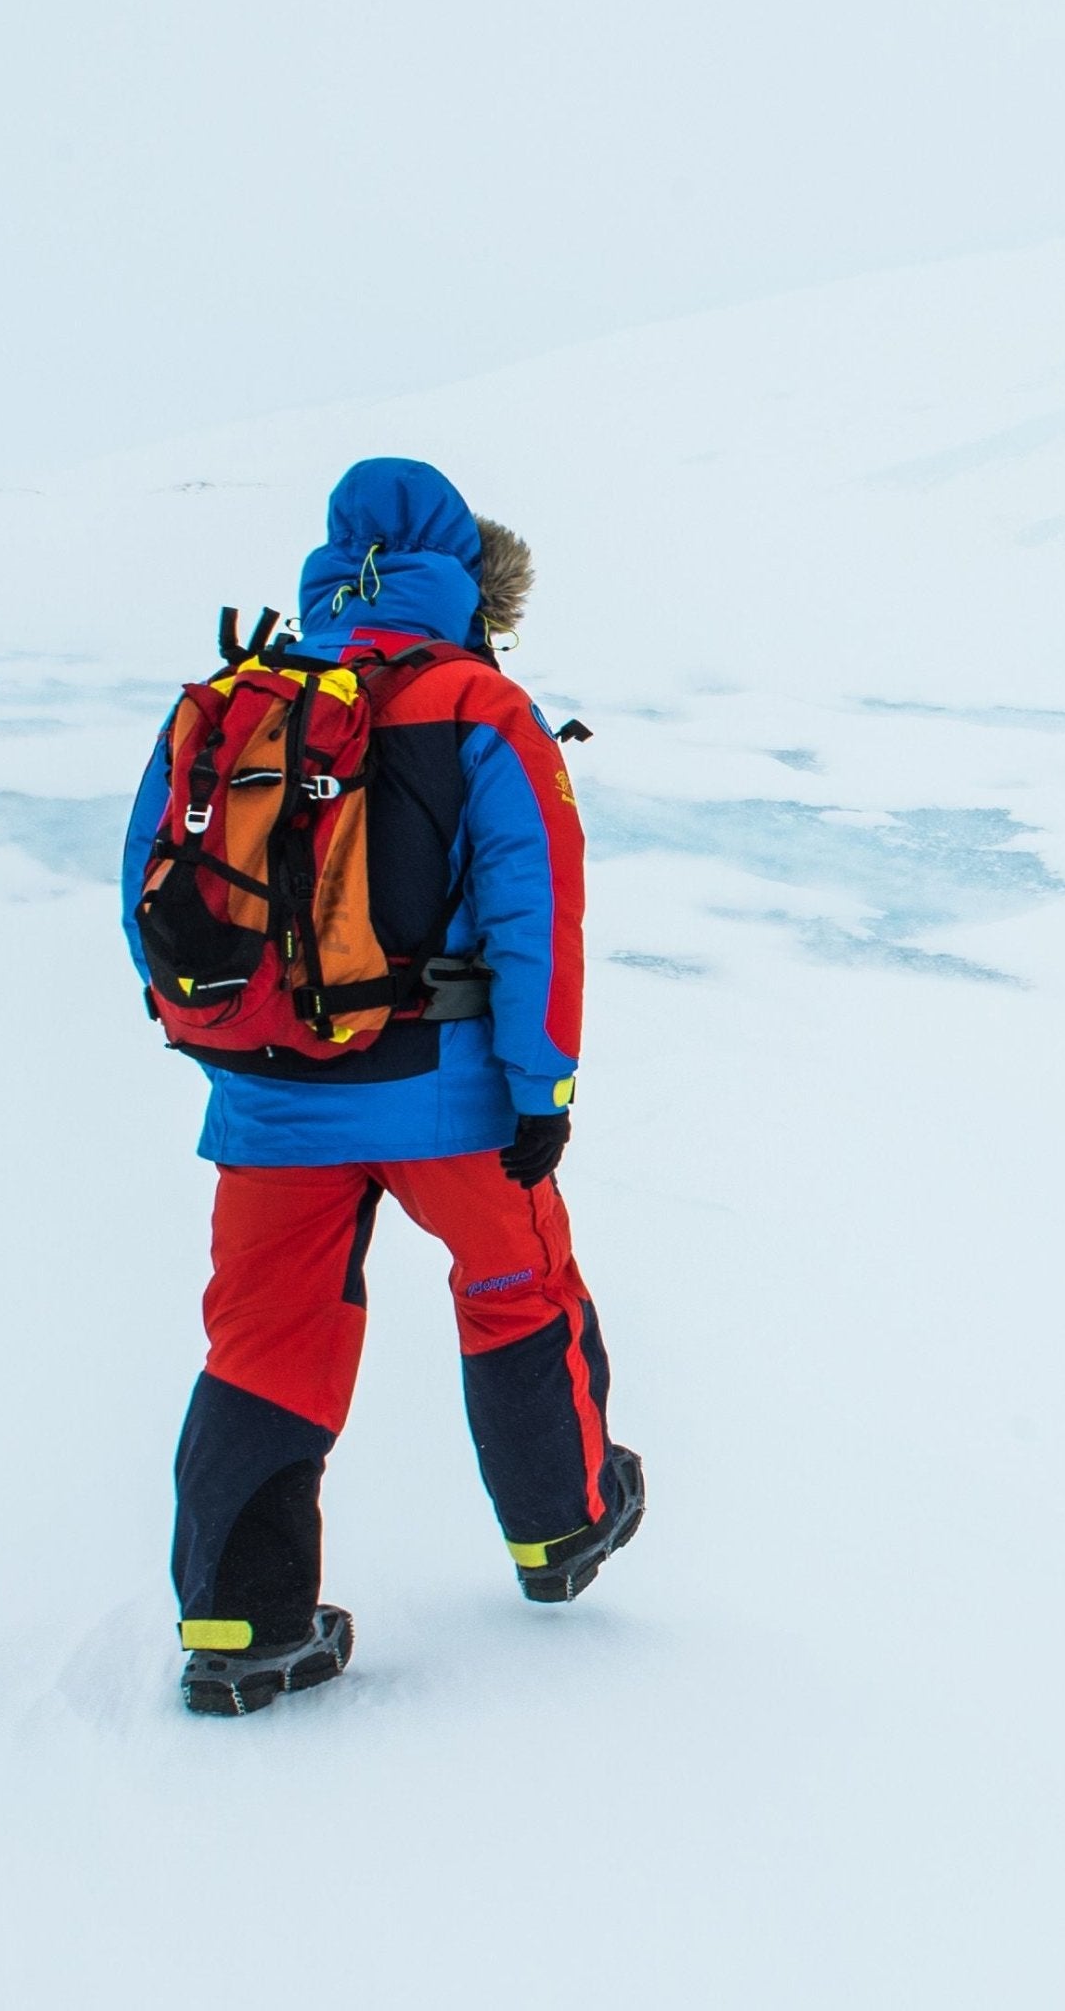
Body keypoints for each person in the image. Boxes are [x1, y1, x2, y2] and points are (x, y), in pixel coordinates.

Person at [120, 458, 643, 1716]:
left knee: (263, 1336)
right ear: (465, 574)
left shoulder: (243, 701)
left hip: (268, 1101)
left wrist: (251, 1045)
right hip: (446, 1096)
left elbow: (152, 891)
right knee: (517, 1286)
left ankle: (241, 1623)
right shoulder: (478, 704)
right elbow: (535, 913)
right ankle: (561, 1526)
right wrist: (541, 1090)